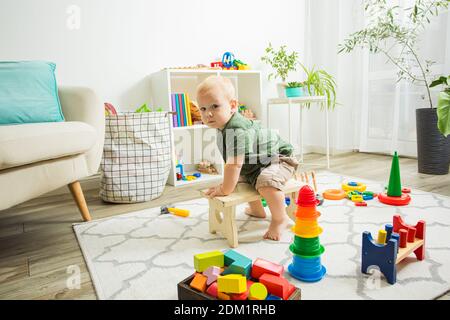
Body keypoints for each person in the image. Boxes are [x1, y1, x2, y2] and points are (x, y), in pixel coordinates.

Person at [196, 76, 299, 240]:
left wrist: (224, 189)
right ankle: (257, 210)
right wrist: (227, 183)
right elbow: (234, 164)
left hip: (279, 159)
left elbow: (234, 165)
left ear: (232, 105)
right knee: (243, 178)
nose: (208, 113)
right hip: (256, 164)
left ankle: (281, 219)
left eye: (215, 106)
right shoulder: (222, 126)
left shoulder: (237, 128)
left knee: (266, 182)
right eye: (202, 108)